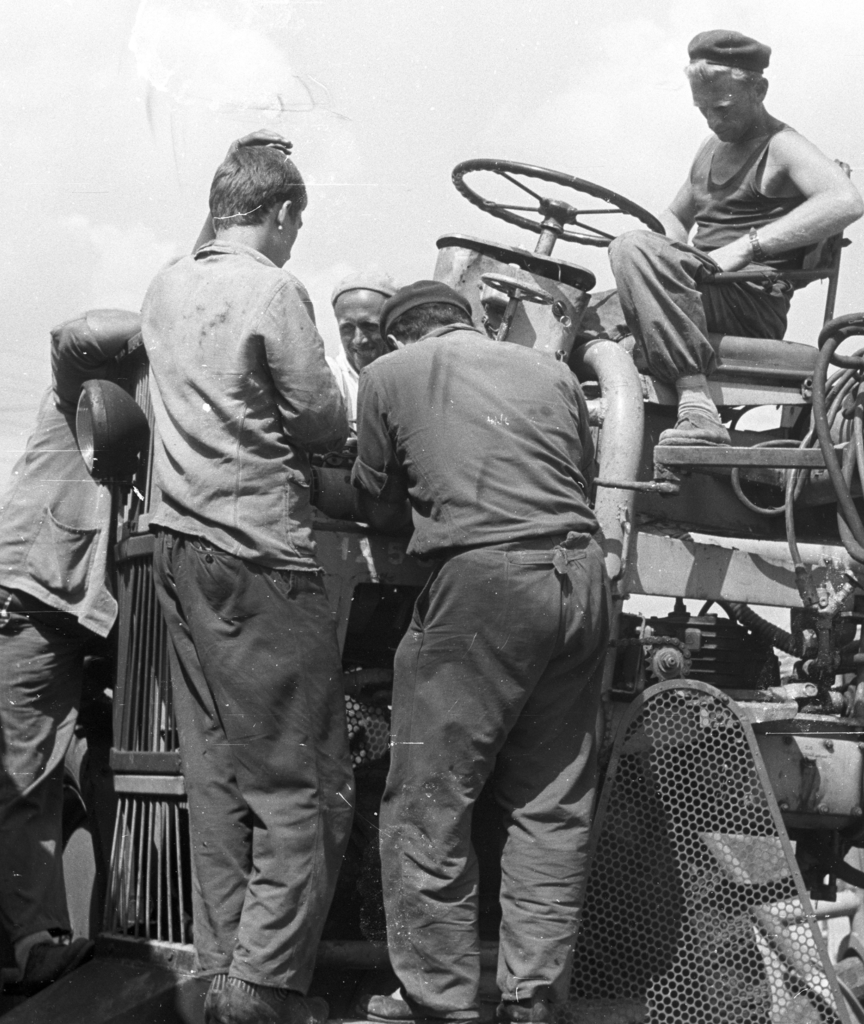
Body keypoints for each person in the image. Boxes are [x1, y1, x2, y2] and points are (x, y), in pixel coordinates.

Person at [352, 281, 610, 1024]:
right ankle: (531, 1000)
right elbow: (581, 482)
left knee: (428, 803)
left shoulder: (388, 375)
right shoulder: (554, 372)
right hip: (581, 578)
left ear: (403, 335)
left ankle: (437, 1001)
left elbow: (375, 502)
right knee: (552, 802)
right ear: (469, 321)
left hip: (485, 583)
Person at [141, 132, 353, 1024]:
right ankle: (262, 991)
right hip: (259, 552)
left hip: (174, 552)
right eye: (294, 224)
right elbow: (319, 417)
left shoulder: (165, 285)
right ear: (280, 213)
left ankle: (222, 971)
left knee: (218, 776)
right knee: (308, 784)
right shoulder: (272, 287)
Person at [0, 308, 142, 993]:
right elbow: (72, 334)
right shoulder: (85, 384)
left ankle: (118, 922)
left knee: (116, 760)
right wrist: (169, 326)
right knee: (23, 779)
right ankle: (35, 947)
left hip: (71, 615)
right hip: (16, 598)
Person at [602, 29, 864, 445]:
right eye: (703, 109)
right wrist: (671, 253)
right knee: (576, 308)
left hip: (748, 298)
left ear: (758, 89)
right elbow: (674, 214)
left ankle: (696, 402)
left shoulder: (781, 147)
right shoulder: (711, 148)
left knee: (632, 247)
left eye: (722, 108)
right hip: (703, 287)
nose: (713, 120)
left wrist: (745, 247)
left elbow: (845, 201)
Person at [329, 269, 398, 419]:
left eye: (369, 326)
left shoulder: (412, 375)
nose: (358, 340)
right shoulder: (331, 379)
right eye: (347, 328)